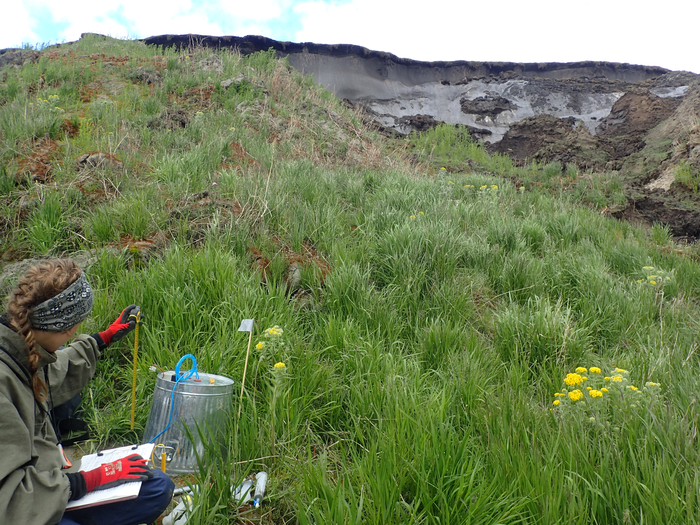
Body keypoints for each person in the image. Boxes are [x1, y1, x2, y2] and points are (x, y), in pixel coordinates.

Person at [0, 259, 174, 525]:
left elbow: (57, 371)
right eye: (77, 325)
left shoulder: (20, 350)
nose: (76, 332)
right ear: (67, 327)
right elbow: (10, 502)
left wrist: (102, 339)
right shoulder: (4, 380)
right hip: (25, 506)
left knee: (155, 485)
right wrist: (92, 479)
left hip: (49, 481)